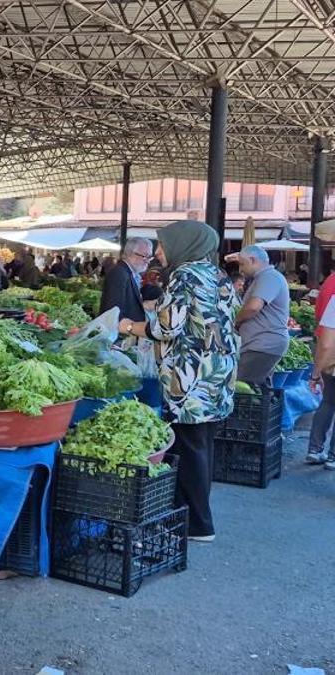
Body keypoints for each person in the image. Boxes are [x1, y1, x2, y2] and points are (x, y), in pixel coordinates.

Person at [117, 220, 237, 542]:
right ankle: (190, 516)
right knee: (201, 446)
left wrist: (127, 326)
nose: (158, 252)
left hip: (191, 376)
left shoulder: (184, 274)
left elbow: (166, 328)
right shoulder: (217, 274)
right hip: (217, 371)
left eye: (163, 245)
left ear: (184, 244)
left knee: (189, 447)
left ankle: (199, 525)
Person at [233, 245, 290, 387]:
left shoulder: (269, 277)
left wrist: (235, 321)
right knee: (257, 389)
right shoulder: (263, 278)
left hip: (263, 345)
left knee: (241, 387)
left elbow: (253, 307)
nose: (241, 269)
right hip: (260, 344)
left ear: (253, 260)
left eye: (242, 264)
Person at [307, 291, 335, 470]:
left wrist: (316, 373)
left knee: (328, 402)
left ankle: (315, 449)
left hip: (332, 364)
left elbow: (325, 344)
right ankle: (333, 457)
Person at [100, 237, 153, 322]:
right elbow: (113, 313)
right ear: (129, 253)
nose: (148, 261)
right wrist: (131, 327)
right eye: (144, 256)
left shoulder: (127, 272)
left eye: (149, 257)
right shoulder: (119, 274)